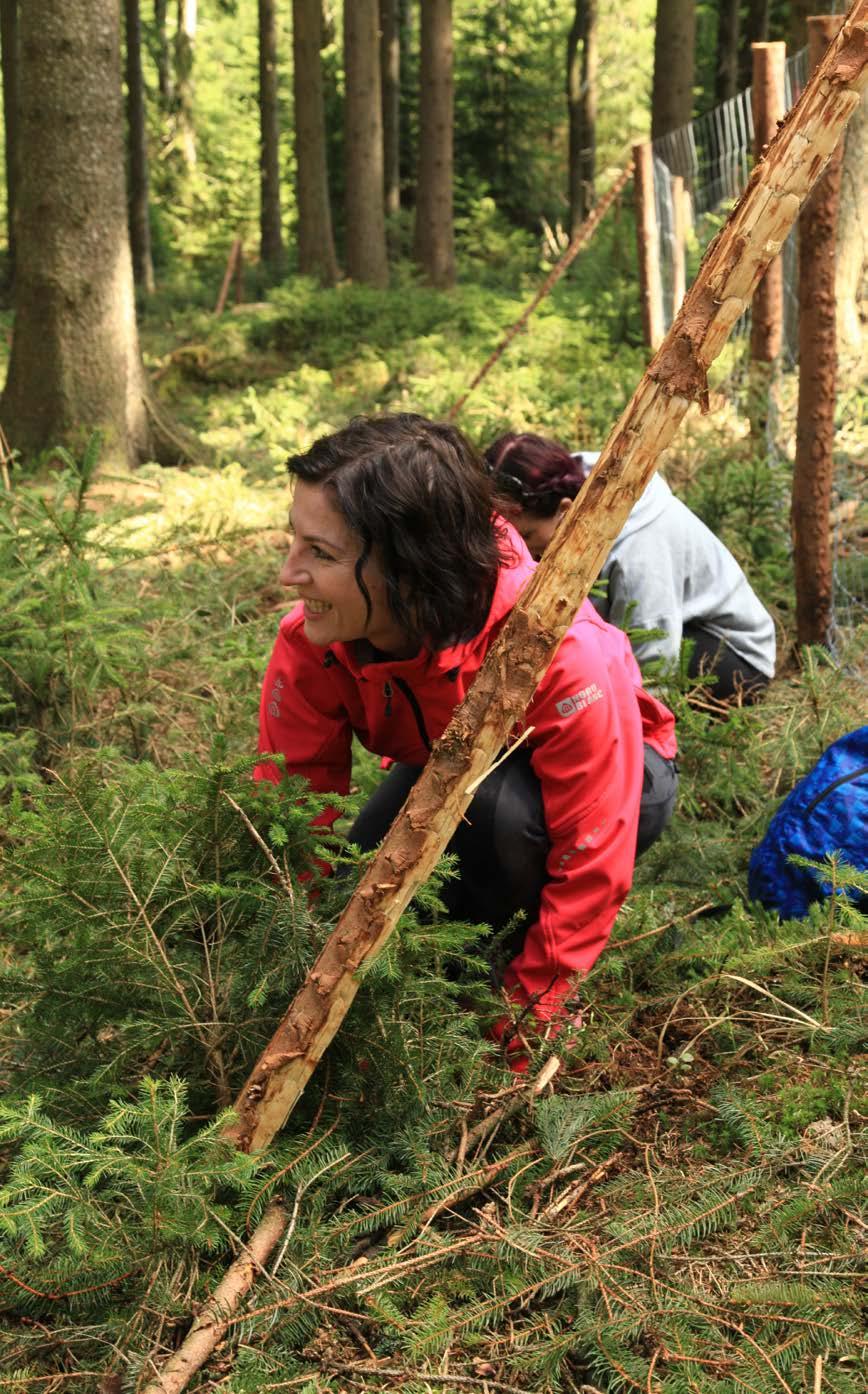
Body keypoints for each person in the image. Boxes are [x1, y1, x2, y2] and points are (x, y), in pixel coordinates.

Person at [257, 415, 677, 1066]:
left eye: (322, 554)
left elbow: (594, 855)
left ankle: (502, 949)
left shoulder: (561, 657)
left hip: (626, 775)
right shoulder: (312, 643)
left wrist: (522, 1026)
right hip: (450, 761)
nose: (289, 575)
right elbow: (294, 818)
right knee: (364, 871)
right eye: (296, 542)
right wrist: (295, 972)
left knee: (501, 823)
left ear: (409, 569)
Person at [485, 433, 776, 702]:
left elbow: (654, 657)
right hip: (662, 629)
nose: (518, 548)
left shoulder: (639, 548)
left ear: (564, 510)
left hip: (729, 656)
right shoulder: (549, 484)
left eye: (526, 536)